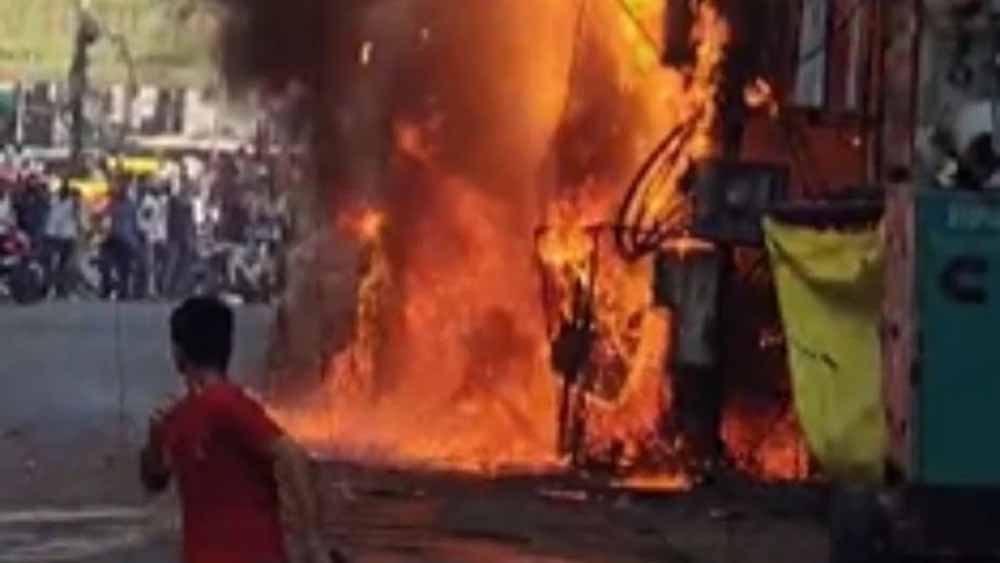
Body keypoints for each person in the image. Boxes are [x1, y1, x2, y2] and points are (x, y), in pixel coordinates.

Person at [140, 298, 333, 563]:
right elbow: (154, 481)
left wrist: (314, 543)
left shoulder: (227, 403)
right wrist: (154, 441)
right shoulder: (181, 414)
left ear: (177, 352)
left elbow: (292, 454)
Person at [101, 186, 142, 300]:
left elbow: (102, 215)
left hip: (117, 239)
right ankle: (122, 291)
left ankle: (111, 290)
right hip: (124, 240)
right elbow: (136, 224)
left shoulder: (114, 205)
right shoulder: (131, 206)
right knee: (123, 268)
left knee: (113, 266)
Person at [44, 180, 81, 298]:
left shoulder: (70, 202)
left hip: (66, 236)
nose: (63, 193)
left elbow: (76, 216)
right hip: (55, 235)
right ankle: (53, 287)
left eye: (65, 191)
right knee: (55, 263)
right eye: (62, 191)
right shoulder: (54, 200)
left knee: (64, 264)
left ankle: (61, 288)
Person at [138, 182, 169, 298]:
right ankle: (150, 290)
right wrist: (149, 232)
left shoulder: (156, 202)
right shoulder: (149, 203)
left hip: (157, 237)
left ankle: (154, 289)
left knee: (156, 265)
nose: (160, 191)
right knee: (151, 265)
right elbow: (144, 220)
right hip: (151, 238)